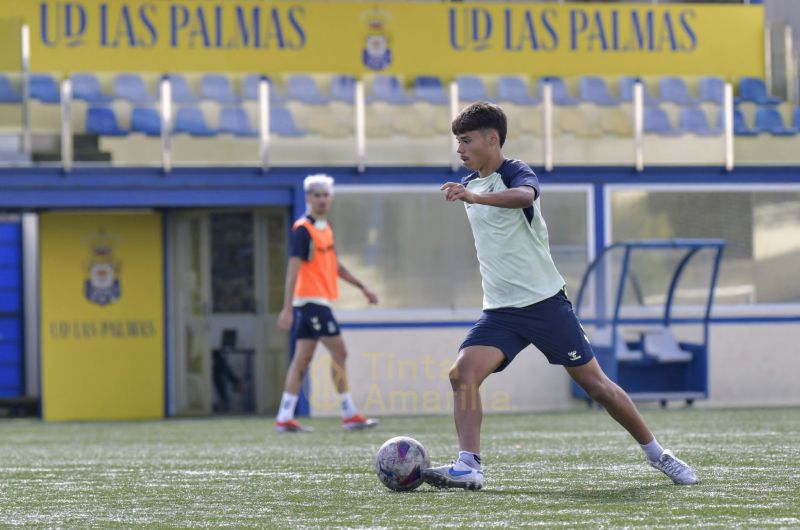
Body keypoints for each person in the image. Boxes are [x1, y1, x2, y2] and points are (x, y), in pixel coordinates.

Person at [422, 102, 698, 490]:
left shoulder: (513, 173)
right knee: (462, 374)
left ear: (492, 139)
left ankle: (659, 455)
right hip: (500, 311)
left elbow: (524, 197)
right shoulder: (470, 184)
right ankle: (469, 465)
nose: (460, 149)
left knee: (597, 387)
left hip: (544, 304)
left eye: (466, 140)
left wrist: (474, 198)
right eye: (458, 142)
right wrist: (471, 194)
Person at [274, 174, 380, 433]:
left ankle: (284, 416)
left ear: (330, 199)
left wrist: (362, 287)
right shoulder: (303, 229)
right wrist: (287, 308)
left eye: (325, 195)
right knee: (340, 353)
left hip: (318, 301)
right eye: (317, 195)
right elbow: (292, 270)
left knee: (302, 359)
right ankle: (349, 413)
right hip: (311, 303)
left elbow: (335, 266)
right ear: (308, 198)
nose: (322, 199)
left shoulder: (325, 228)